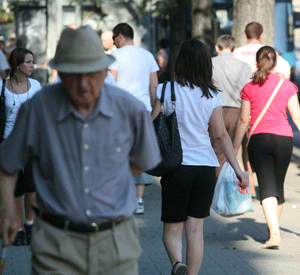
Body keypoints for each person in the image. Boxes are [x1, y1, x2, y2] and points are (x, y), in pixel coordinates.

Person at [0, 26, 161, 274]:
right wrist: (8, 210)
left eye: (92, 74)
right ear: (60, 74)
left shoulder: (130, 109)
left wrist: (107, 174)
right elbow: (7, 164)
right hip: (55, 246)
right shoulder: (37, 110)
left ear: (106, 70)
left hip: (116, 244)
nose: (84, 84)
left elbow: (145, 160)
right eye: (74, 75)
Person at [151, 40, 249, 275]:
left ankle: (177, 264)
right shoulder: (212, 94)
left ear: (180, 62)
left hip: (176, 167)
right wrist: (237, 169)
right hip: (205, 168)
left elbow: (150, 126)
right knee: (195, 231)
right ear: (206, 64)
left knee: (172, 230)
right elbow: (220, 134)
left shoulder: (165, 90)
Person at [233, 46, 300, 249]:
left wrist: (234, 146)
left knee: (267, 186)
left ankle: (274, 233)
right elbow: (296, 116)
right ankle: (274, 230)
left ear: (257, 62)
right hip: (284, 140)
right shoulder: (287, 86)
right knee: (277, 186)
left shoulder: (249, 87)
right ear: (275, 63)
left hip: (259, 140)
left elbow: (244, 120)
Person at [109, 22, 159, 215]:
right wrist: (155, 112)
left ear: (120, 36)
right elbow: (154, 87)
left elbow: (111, 84)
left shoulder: (114, 56)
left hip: (120, 111)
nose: (113, 42)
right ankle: (139, 200)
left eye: (114, 38)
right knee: (140, 153)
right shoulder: (147, 56)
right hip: (144, 110)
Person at [0, 48, 41, 246]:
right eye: (28, 62)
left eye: (33, 62)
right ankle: (17, 229)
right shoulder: (2, 86)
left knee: (31, 186)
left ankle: (30, 224)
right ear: (17, 65)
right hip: (9, 142)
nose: (32, 65)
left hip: (32, 143)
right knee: (16, 189)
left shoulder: (36, 85)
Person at [210, 35, 254, 192]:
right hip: (237, 111)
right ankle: (234, 188)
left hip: (216, 111)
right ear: (234, 48)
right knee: (235, 151)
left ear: (217, 47)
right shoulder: (245, 67)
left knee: (217, 151)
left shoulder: (210, 64)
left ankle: (218, 189)